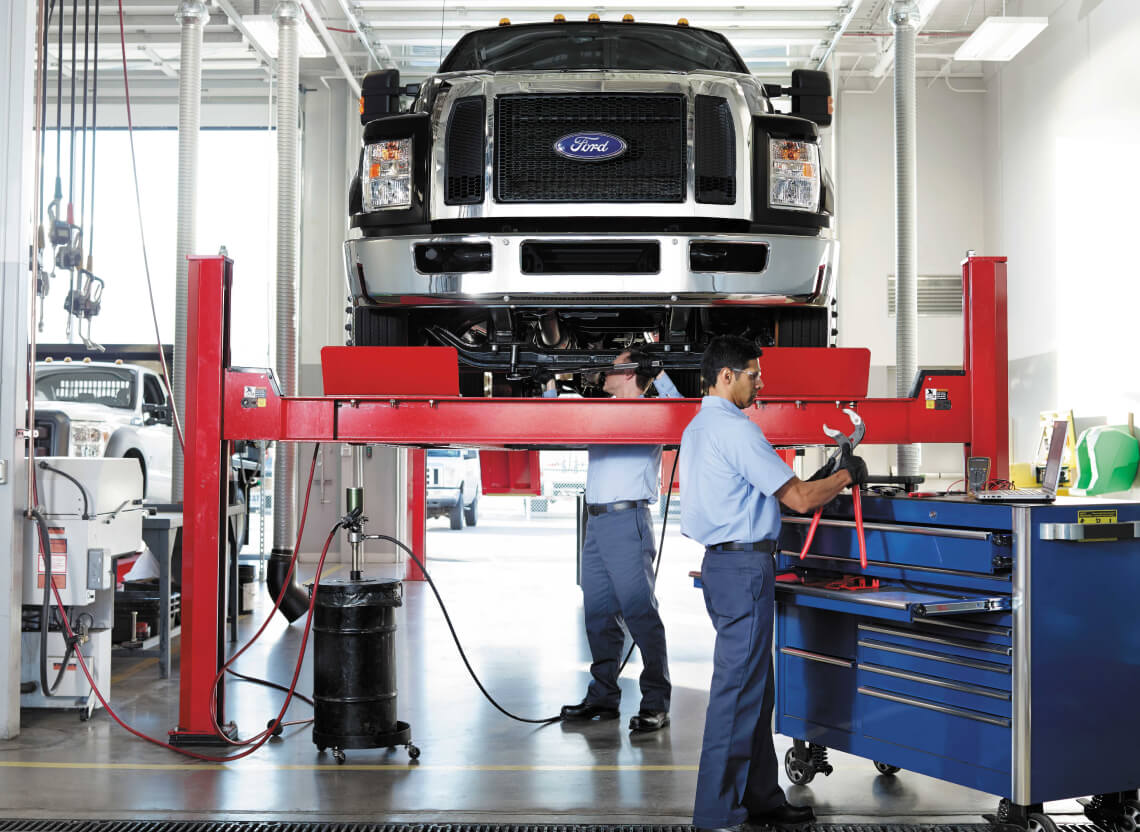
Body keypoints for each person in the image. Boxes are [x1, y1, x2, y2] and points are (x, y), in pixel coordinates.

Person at [679, 335, 867, 832]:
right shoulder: (736, 430)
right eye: (753, 374)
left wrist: (825, 475)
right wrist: (845, 475)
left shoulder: (697, 428)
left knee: (754, 692)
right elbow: (801, 499)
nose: (760, 382)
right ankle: (716, 815)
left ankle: (760, 797)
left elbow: (773, 492)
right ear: (726, 376)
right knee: (737, 695)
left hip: (722, 567)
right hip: (745, 571)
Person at [557, 347, 682, 733]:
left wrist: (658, 373)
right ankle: (603, 697)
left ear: (630, 374)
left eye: (614, 366)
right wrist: (548, 382)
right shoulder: (601, 411)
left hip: (629, 520)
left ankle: (656, 702)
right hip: (595, 522)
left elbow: (682, 413)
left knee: (640, 613)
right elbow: (552, 424)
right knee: (597, 614)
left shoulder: (654, 410)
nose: (606, 372)